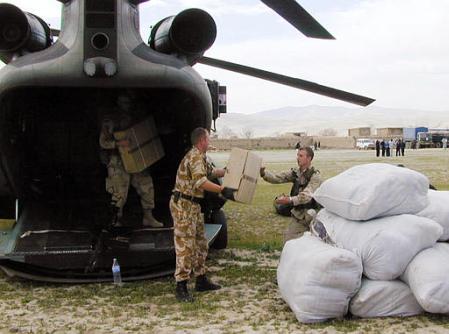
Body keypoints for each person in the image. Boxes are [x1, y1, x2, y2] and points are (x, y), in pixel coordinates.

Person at [170, 127, 234, 302]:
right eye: (208, 138)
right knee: (185, 246)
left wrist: (229, 171)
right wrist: (222, 189)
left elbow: (211, 172)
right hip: (184, 206)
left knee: (200, 243)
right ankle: (181, 286)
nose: (210, 141)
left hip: (193, 206)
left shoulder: (201, 157)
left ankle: (201, 280)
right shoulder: (194, 156)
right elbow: (201, 182)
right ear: (201, 140)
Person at [99, 92, 163, 228]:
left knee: (147, 187)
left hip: (137, 158)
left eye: (129, 101)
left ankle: (148, 217)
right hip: (118, 161)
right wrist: (118, 144)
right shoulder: (110, 120)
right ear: (119, 101)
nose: (126, 104)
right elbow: (103, 142)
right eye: (124, 101)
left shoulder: (138, 116)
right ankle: (116, 220)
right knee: (118, 192)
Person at [260, 146, 321, 244]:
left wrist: (289, 200)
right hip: (299, 215)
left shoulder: (315, 176)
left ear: (309, 158)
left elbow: (306, 196)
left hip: (312, 217)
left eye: (301, 156)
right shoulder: (296, 173)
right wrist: (263, 173)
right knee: (289, 241)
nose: (298, 158)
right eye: (297, 155)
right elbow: (277, 178)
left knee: (314, 243)